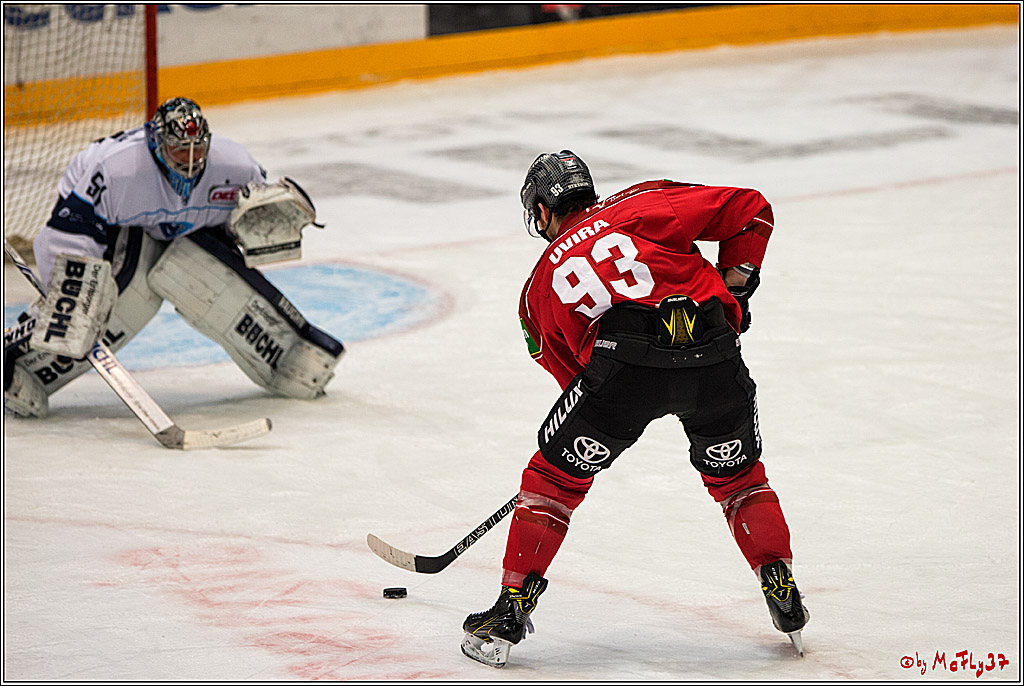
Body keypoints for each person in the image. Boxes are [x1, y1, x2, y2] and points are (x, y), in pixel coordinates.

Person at [460, 151, 808, 668]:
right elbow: (751, 210)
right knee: (741, 483)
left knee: (552, 483)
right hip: (713, 353)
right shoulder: (645, 202)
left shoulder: (536, 290)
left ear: (540, 209)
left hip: (620, 375)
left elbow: (571, 377)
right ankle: (778, 577)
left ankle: (510, 614)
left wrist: (604, 415)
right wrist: (735, 290)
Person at [4, 97, 344, 418]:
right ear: (155, 144)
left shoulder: (235, 166)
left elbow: (249, 227)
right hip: (114, 227)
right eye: (179, 149)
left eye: (198, 148)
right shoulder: (115, 171)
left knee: (204, 275)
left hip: (193, 227)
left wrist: (260, 226)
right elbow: (68, 232)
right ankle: (15, 362)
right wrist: (72, 294)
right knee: (115, 301)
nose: (191, 158)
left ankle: (292, 354)